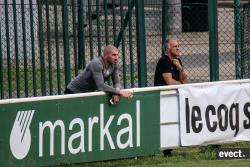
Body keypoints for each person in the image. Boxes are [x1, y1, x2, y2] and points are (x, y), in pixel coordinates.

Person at [65, 45, 133, 104]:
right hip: (73, 92)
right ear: (105, 55)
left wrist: (116, 93)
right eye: (113, 55)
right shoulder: (96, 63)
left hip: (87, 93)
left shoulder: (114, 65)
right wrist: (120, 92)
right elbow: (100, 86)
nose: (116, 58)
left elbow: (117, 82)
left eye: (117, 55)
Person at [154, 38, 187, 157]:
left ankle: (169, 149)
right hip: (163, 96)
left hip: (174, 94)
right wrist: (182, 85)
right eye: (175, 46)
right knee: (165, 122)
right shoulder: (164, 61)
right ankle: (166, 150)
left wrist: (180, 68)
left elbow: (183, 79)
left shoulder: (177, 60)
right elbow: (169, 81)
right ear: (168, 49)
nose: (178, 48)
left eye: (179, 46)